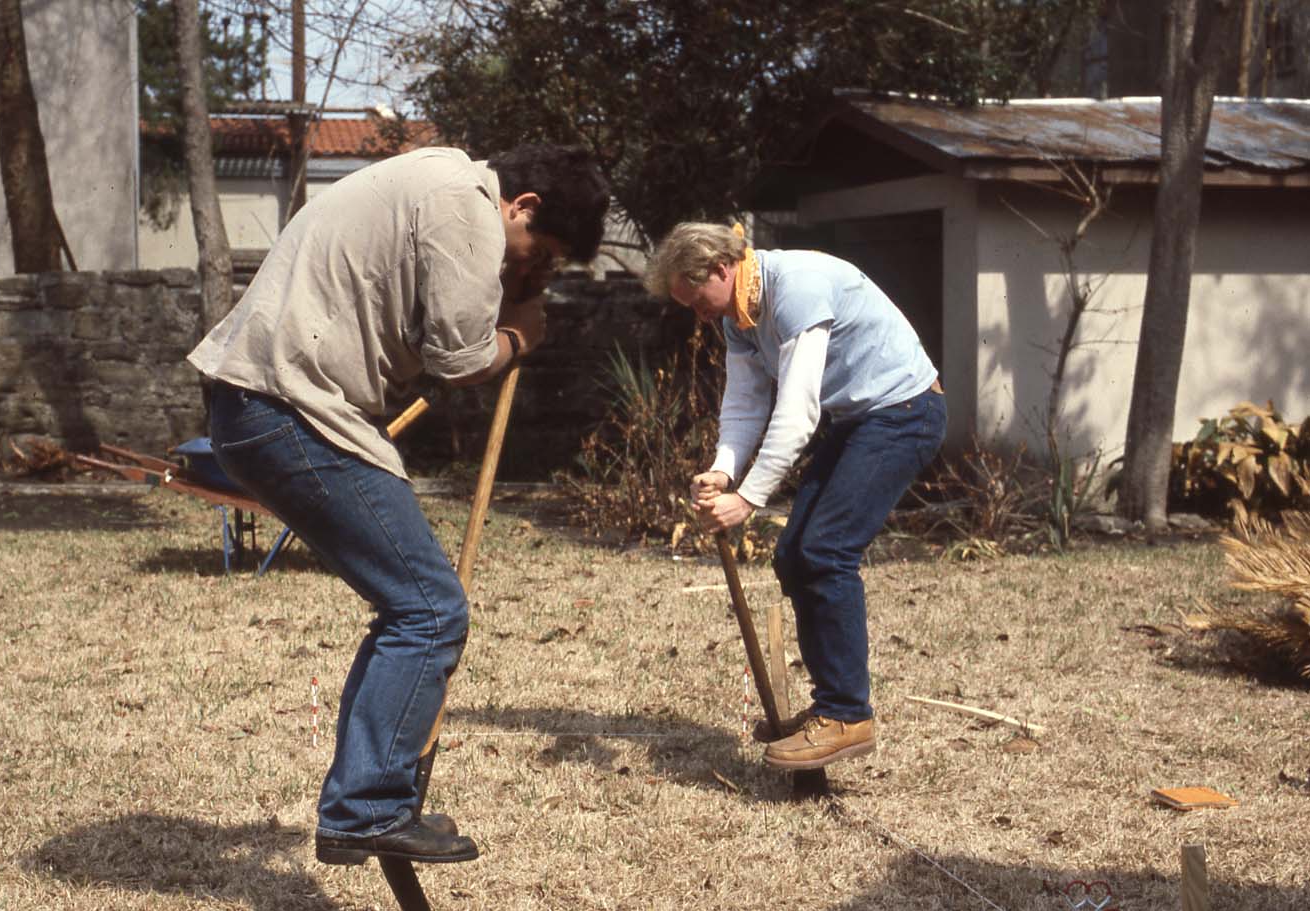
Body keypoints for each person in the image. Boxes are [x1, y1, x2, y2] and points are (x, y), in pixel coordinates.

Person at [188, 144, 609, 864]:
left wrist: (515, 283)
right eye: (541, 249)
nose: (532, 263)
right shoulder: (465, 207)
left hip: (261, 404)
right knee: (428, 609)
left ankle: (372, 800)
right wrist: (519, 335)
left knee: (411, 607)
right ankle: (365, 810)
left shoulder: (432, 180)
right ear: (524, 205)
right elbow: (460, 359)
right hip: (288, 410)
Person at [643, 223, 945, 770]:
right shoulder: (740, 314)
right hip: (861, 420)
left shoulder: (797, 286)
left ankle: (847, 716)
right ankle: (832, 708)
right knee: (794, 555)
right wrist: (723, 471)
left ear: (720, 268)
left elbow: (799, 408)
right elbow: (745, 403)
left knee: (825, 551)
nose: (700, 316)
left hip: (905, 413)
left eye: (698, 301)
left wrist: (748, 500)